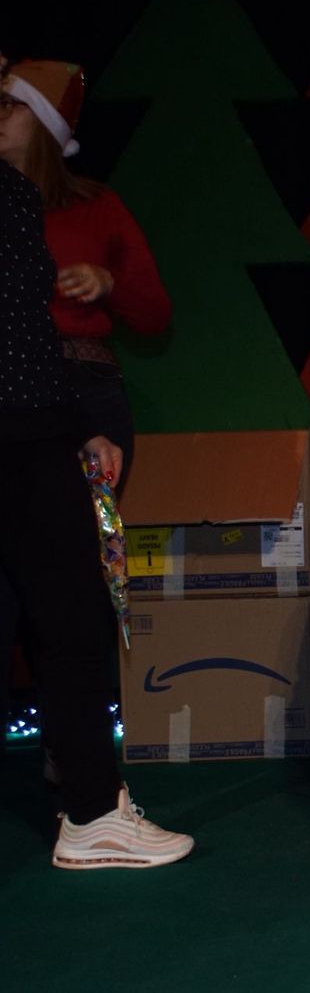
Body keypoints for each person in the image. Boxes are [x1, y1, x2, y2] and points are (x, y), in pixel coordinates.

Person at [0, 153, 191, 870]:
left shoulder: (31, 196)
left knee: (69, 616)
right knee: (72, 619)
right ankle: (91, 815)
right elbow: (20, 330)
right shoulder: (11, 195)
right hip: (25, 430)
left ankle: (89, 805)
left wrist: (80, 425)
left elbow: (30, 330)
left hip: (43, 421)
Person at [0, 59, 169, 488]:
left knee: (90, 523)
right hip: (11, 392)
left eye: (7, 104)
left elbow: (154, 316)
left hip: (86, 385)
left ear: (44, 121)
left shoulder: (94, 207)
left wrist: (109, 282)